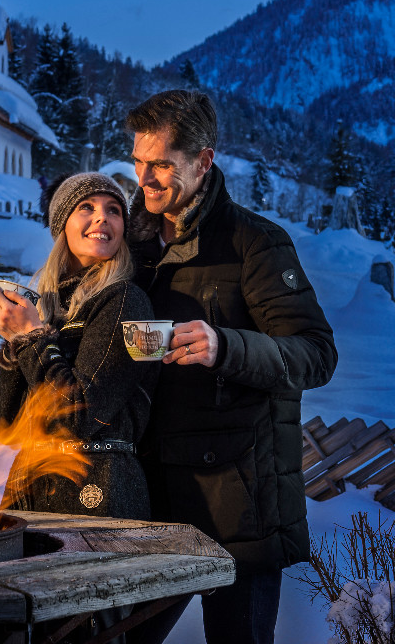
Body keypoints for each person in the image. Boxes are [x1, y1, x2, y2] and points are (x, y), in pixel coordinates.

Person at [124, 89, 338, 644]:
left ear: (204, 161)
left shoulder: (255, 243)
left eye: (161, 165)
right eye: (138, 162)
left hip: (239, 501)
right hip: (149, 496)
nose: (144, 179)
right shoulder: (131, 245)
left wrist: (227, 347)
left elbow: (316, 354)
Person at [0, 172, 158, 520]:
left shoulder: (128, 302)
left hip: (98, 492)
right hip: (30, 490)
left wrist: (29, 337)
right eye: (86, 207)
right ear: (62, 224)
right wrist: (15, 345)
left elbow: (79, 416)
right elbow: (6, 426)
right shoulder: (47, 307)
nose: (102, 217)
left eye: (114, 210)